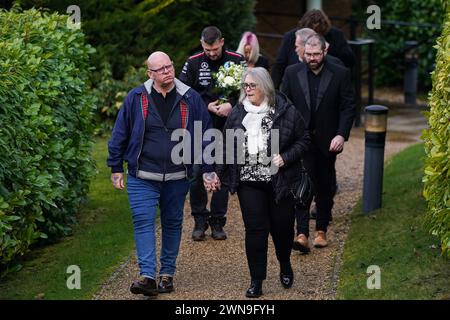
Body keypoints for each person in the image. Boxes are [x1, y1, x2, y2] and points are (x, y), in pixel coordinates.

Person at [107, 51, 216, 297]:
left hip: (177, 176)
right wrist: (115, 167)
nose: (167, 71)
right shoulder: (136, 98)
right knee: (143, 221)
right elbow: (120, 133)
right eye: (161, 69)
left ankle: (167, 274)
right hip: (142, 175)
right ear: (150, 74)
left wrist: (208, 169)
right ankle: (147, 276)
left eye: (169, 66)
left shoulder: (191, 98)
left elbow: (206, 134)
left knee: (172, 223)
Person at [215, 67, 310, 298]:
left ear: (265, 87)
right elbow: (226, 147)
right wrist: (217, 173)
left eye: (252, 85)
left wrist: (286, 158)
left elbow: (304, 139)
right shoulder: (237, 113)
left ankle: (285, 263)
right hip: (249, 182)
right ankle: (256, 280)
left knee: (282, 229)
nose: (247, 90)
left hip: (280, 182)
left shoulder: (285, 110)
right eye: (244, 86)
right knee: (255, 232)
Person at [282, 34, 355, 251]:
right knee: (303, 184)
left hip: (328, 140)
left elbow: (348, 106)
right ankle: (302, 232)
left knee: (325, 185)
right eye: (308, 54)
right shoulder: (291, 73)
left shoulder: (340, 73)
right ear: (303, 53)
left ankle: (321, 230)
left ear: (324, 52)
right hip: (300, 140)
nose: (312, 58)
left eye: (316, 54)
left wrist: (341, 134)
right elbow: (284, 105)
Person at [179, 26, 245, 241]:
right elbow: (182, 93)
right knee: (196, 171)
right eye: (207, 49)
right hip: (199, 125)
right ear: (202, 44)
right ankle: (200, 218)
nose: (212, 53)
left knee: (222, 172)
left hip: (228, 125)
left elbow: (251, 91)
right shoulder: (194, 62)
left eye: (215, 49)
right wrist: (206, 105)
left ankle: (218, 220)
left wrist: (232, 105)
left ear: (222, 42)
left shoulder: (237, 60)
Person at [271, 9, 354, 89]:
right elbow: (279, 66)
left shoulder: (335, 35)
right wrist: (273, 92)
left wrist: (326, 48)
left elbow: (349, 60)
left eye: (318, 33)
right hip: (298, 85)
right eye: (309, 34)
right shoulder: (291, 37)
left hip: (328, 85)